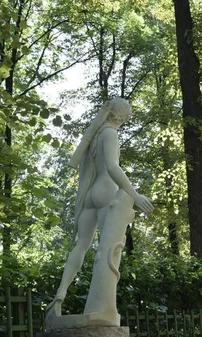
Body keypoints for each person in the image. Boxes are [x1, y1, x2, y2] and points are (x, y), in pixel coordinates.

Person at [47, 97, 154, 316]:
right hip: (107, 190)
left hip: (90, 193)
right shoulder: (110, 134)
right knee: (109, 249)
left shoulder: (94, 136)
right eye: (127, 114)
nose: (128, 118)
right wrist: (134, 195)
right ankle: (104, 306)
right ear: (121, 115)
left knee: (81, 246)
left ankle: (61, 293)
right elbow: (113, 167)